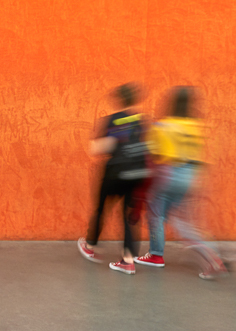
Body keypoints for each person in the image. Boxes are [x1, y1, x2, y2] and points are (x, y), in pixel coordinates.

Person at [135, 87, 227, 279]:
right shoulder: (195, 126)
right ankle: (213, 254)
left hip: (169, 174)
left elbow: (153, 152)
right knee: (185, 223)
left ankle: (157, 256)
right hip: (191, 176)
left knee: (157, 215)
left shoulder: (163, 126)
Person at [77, 83, 150, 274]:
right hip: (137, 175)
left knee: (101, 208)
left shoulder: (114, 120)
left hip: (115, 173)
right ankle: (127, 260)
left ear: (119, 100)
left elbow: (99, 148)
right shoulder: (142, 121)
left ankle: (90, 245)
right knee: (128, 217)